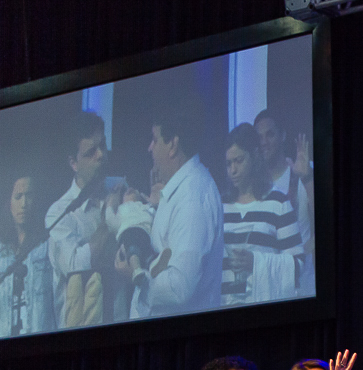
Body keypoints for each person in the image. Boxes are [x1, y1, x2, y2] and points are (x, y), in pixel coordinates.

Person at [124, 102, 224, 319]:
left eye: (154, 139)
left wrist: (137, 271)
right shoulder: (184, 191)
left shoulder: (192, 197)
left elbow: (180, 287)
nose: (150, 148)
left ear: (173, 145)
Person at [220, 123, 303, 307]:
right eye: (228, 163)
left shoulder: (278, 202)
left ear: (255, 156)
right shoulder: (221, 206)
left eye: (239, 161)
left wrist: (256, 263)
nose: (232, 170)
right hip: (223, 310)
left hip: (263, 312)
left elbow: (298, 265)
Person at [45, 111, 113, 328]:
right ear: (73, 163)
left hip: (126, 331)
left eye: (102, 145)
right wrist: (109, 216)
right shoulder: (59, 214)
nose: (101, 155)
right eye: (91, 152)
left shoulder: (121, 191)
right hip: (79, 342)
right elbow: (79, 263)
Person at [254, 109, 314, 297]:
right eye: (259, 137)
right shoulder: (254, 184)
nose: (264, 142)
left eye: (270, 134)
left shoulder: (302, 172)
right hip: (269, 290)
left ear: (283, 135)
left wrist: (308, 179)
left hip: (303, 289)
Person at [0, 173, 55, 337]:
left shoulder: (48, 245)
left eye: (29, 196)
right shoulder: (2, 254)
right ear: (9, 203)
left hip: (42, 341)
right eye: (18, 197)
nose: (24, 204)